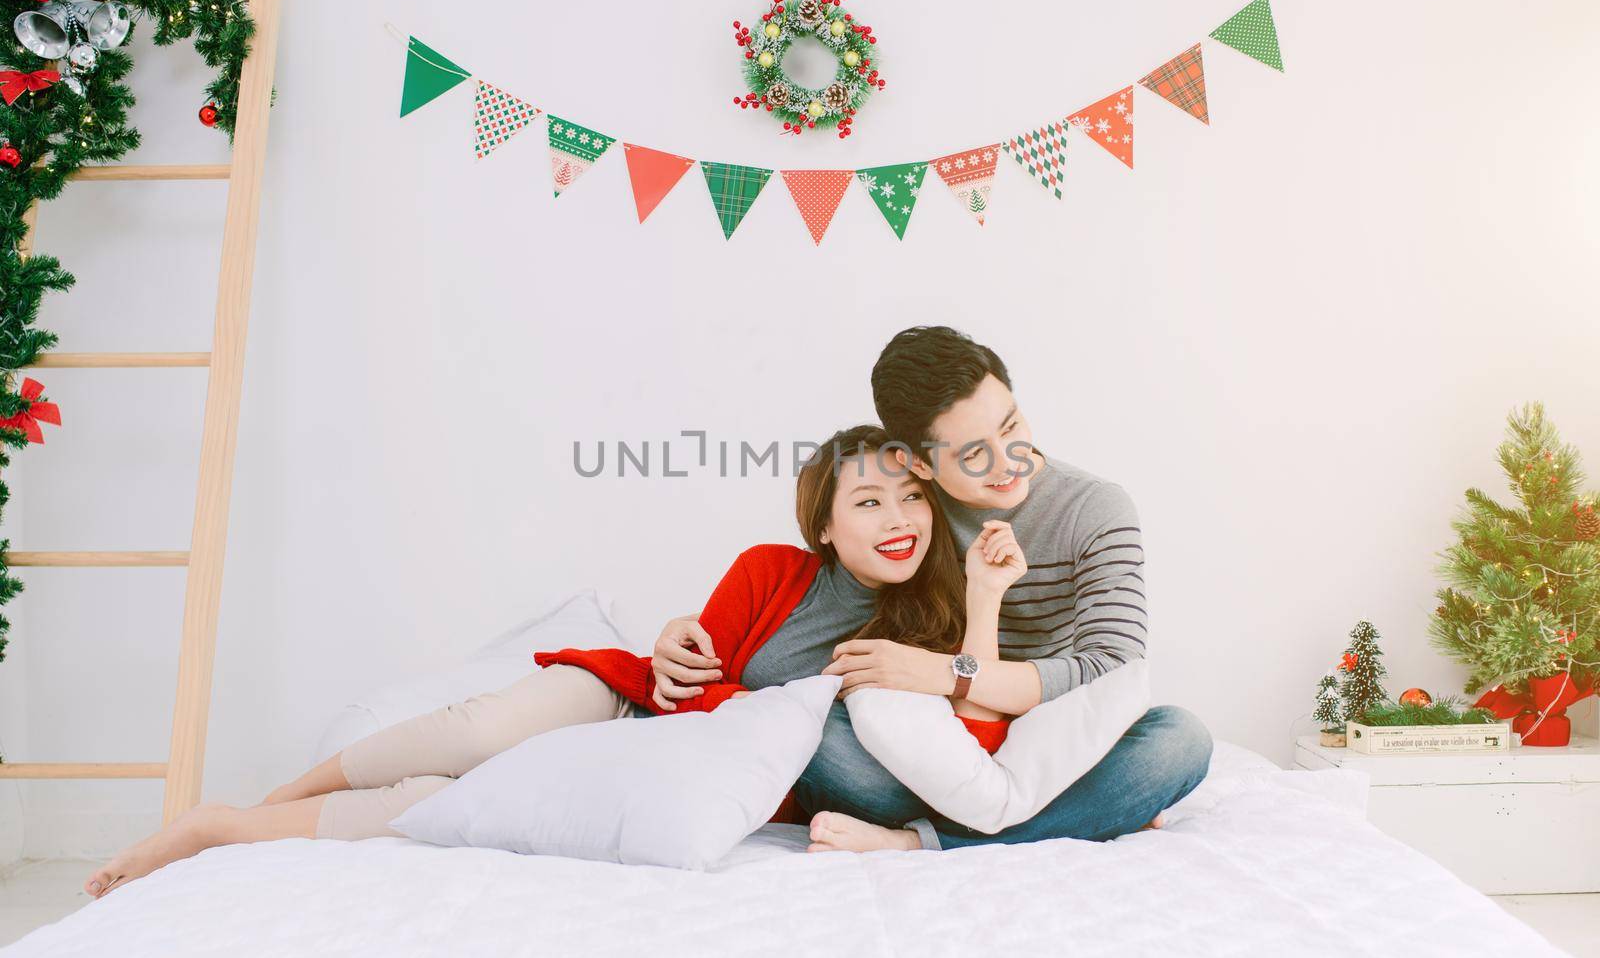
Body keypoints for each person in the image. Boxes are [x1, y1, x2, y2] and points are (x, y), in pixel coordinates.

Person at [81, 424, 1004, 899]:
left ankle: (217, 827)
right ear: (825, 523)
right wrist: (677, 652)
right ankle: (271, 799)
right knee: (476, 731)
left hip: (661, 765)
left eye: (911, 502)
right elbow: (688, 676)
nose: (900, 523)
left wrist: (988, 606)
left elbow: (973, 745)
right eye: (871, 504)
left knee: (435, 811)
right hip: (621, 705)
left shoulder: (935, 617)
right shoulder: (772, 569)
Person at [672, 326, 1214, 853]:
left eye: (1011, 425)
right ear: (920, 464)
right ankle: (1086, 815)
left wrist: (947, 673)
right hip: (942, 749)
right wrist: (684, 638)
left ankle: (919, 840)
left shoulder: (1095, 509)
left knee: (1180, 742)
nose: (1008, 462)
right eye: (973, 454)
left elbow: (1112, 667)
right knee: (824, 737)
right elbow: (835, 607)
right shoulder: (912, 515)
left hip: (1058, 737)